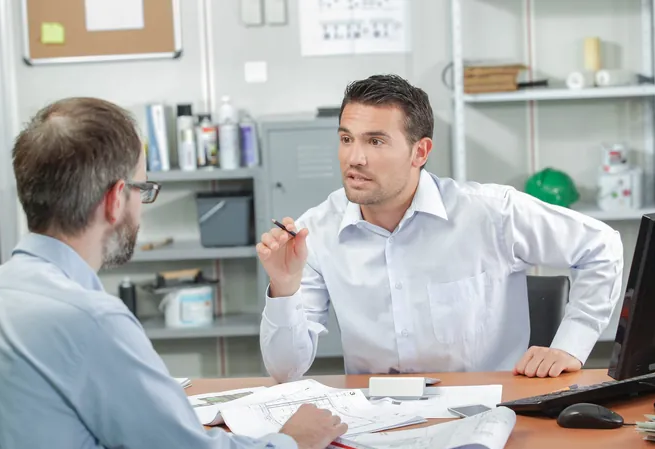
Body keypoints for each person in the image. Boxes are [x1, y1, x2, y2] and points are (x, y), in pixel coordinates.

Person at [0, 98, 347, 449]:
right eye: (143, 189)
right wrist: (289, 442)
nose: (142, 206)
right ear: (116, 199)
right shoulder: (91, 322)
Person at [257, 74, 623, 384]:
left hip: (490, 411)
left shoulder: (490, 212)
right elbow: (286, 371)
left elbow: (602, 246)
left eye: (376, 141)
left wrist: (570, 346)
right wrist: (284, 289)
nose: (355, 158)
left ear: (420, 152)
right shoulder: (315, 232)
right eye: (346, 139)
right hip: (374, 422)